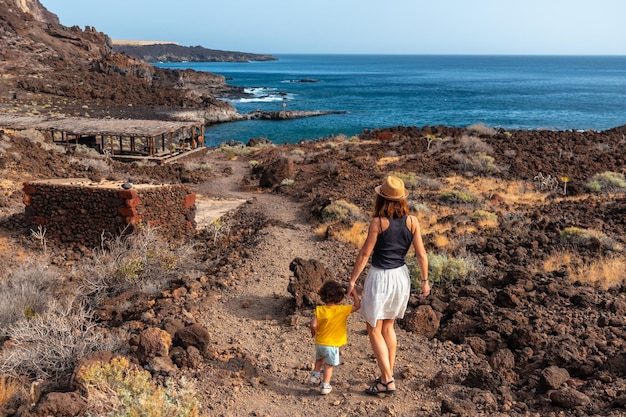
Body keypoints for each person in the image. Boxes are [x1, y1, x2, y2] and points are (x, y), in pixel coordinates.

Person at [347, 175, 429, 396]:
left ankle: (388, 380)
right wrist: (425, 281)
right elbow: (421, 254)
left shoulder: (378, 222)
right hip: (401, 277)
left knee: (373, 327)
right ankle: (386, 376)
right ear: (402, 199)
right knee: (388, 327)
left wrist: (353, 280)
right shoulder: (413, 221)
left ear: (381, 198)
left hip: (381, 277)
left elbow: (365, 253)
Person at [309, 279, 361, 395]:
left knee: (319, 359)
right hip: (332, 345)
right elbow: (357, 306)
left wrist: (313, 332)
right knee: (328, 365)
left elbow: (313, 324)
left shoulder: (320, 309)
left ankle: (315, 375)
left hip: (320, 342)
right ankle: (325, 385)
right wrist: (355, 293)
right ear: (340, 297)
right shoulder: (342, 310)